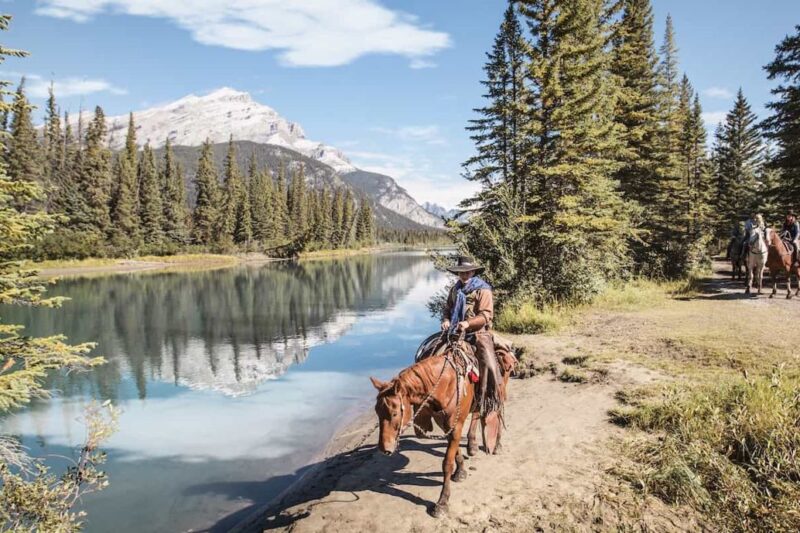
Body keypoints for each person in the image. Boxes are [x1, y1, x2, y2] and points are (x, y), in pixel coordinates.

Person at [440, 256, 501, 416]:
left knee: (489, 363)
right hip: (455, 333)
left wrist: (468, 323)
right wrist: (446, 319)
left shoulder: (483, 290)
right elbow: (448, 308)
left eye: (467, 272)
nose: (464, 275)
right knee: (429, 353)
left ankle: (490, 396)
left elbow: (486, 315)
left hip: (478, 333)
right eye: (461, 273)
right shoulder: (455, 289)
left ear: (473, 271)